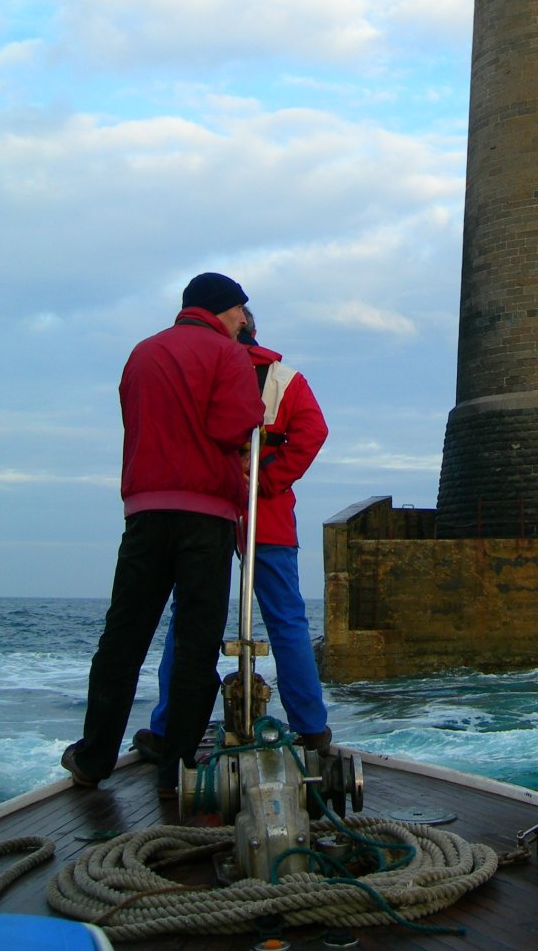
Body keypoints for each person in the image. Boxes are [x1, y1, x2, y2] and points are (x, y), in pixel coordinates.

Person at [61, 272, 265, 796]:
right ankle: (179, 769)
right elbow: (233, 428)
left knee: (123, 637)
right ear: (222, 309)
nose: (245, 319)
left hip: (145, 512)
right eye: (242, 310)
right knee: (196, 642)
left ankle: (93, 757)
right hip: (206, 515)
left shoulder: (142, 352)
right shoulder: (229, 356)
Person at [133, 307, 332, 758]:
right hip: (268, 510)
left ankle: (168, 729)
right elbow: (312, 432)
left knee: (190, 620)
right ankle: (312, 728)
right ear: (255, 331)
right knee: (287, 620)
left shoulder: (205, 370)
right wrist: (267, 478)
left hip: (211, 509)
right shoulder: (285, 378)